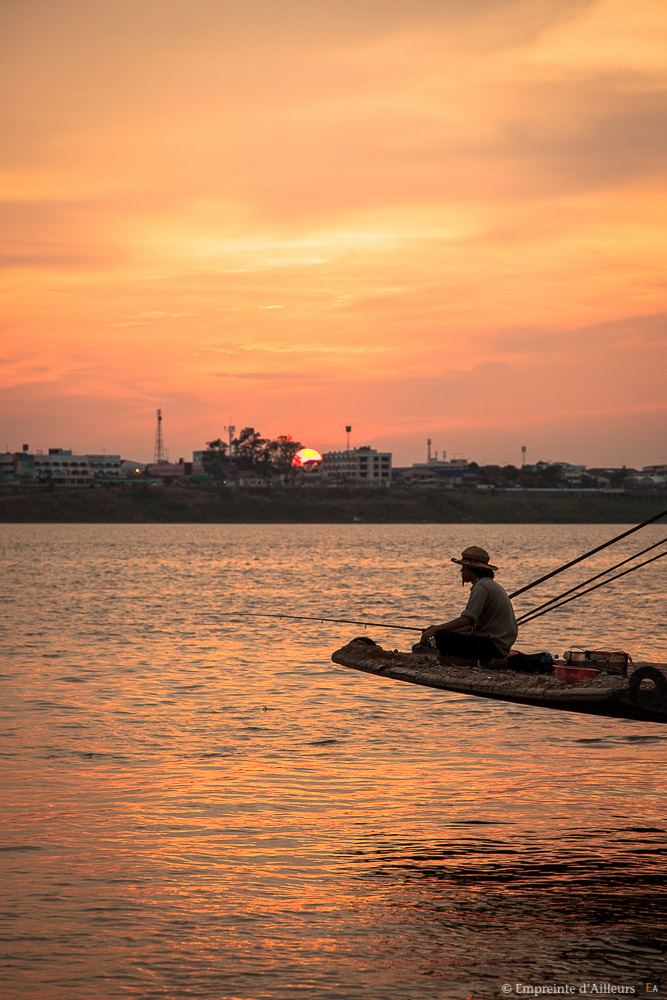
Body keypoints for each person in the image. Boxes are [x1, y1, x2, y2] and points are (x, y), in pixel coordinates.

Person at [420, 546, 518, 663]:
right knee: (444, 634)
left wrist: (436, 630)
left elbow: (466, 620)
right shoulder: (488, 584)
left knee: (442, 637)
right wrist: (438, 630)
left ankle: (467, 661)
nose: (461, 571)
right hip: (498, 645)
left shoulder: (481, 587)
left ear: (471, 569)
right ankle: (460, 658)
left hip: (494, 646)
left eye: (463, 567)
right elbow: (471, 626)